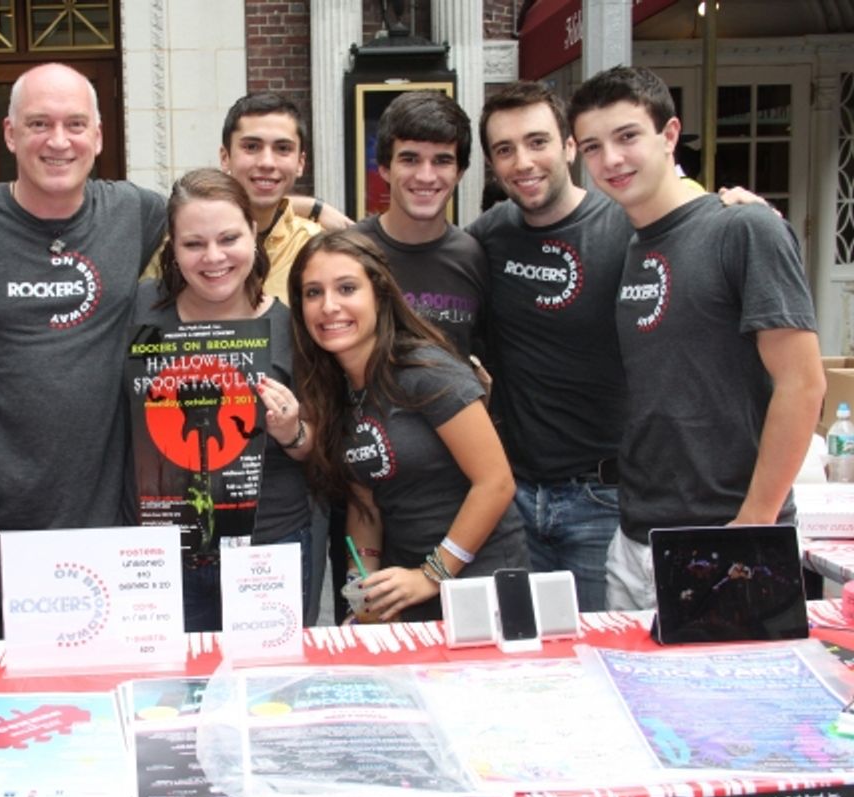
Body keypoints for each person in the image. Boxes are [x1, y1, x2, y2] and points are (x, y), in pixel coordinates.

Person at [0, 64, 340, 639]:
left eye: (75, 124)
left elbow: (217, 209)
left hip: (114, 527)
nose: (58, 141)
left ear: (98, 136)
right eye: (39, 124)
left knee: (116, 679)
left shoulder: (133, 212)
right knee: (17, 687)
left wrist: (324, 214)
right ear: (10, 134)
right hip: (3, 529)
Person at [568, 66, 825, 610]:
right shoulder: (630, 245)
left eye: (627, 136)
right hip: (636, 536)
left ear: (669, 134)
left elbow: (803, 384)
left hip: (730, 533)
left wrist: (754, 522)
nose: (611, 159)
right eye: (592, 147)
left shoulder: (744, 228)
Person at [288, 229, 529, 623]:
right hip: (406, 588)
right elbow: (365, 504)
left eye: (347, 288)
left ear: (380, 295)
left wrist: (432, 575)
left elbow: (496, 483)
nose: (329, 306)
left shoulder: (426, 370)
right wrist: (363, 594)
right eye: (313, 293)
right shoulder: (335, 392)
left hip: (480, 585)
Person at [468, 81, 631, 612]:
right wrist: (313, 207)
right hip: (513, 498)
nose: (522, 162)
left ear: (569, 146)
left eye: (537, 142)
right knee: (518, 648)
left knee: (596, 648)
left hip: (602, 498)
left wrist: (733, 208)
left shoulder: (626, 228)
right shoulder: (490, 235)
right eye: (505, 149)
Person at [134, 168, 314, 631]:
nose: (213, 257)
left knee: (266, 677)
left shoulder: (293, 327)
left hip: (267, 546)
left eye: (229, 238)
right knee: (174, 677)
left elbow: (319, 447)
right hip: (163, 553)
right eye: (194, 243)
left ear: (254, 233)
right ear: (173, 248)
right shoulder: (139, 312)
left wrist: (292, 431)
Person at [353, 91, 488, 359]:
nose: (426, 176)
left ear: (459, 173)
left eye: (442, 161)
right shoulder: (350, 252)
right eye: (410, 159)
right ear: (384, 168)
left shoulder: (475, 257)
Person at [218, 93, 325, 303]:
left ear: (300, 163)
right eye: (251, 147)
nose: (267, 162)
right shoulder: (184, 244)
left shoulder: (317, 247)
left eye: (283, 149)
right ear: (225, 157)